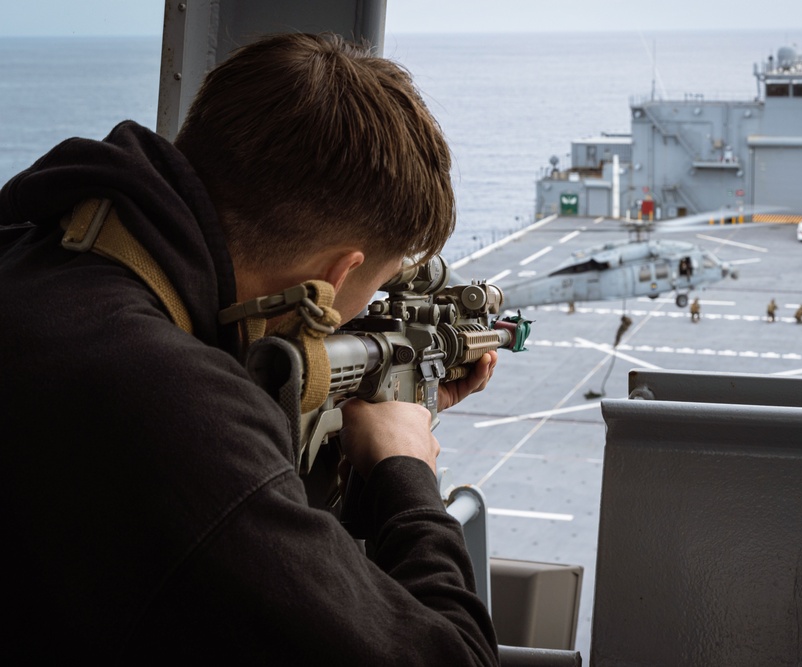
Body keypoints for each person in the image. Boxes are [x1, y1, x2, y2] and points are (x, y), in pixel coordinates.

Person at [0, 34, 499, 664]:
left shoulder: (34, 245)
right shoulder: (180, 419)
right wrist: (405, 472)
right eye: (370, 294)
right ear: (337, 275)